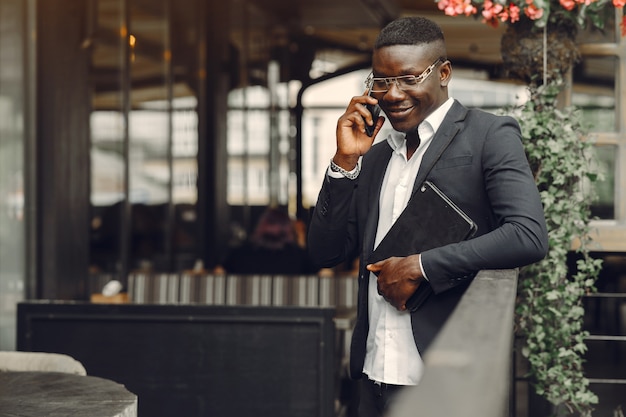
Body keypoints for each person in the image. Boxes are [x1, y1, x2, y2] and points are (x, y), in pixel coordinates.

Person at [307, 16, 549, 417]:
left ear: (444, 73)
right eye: (381, 81)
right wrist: (344, 162)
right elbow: (325, 252)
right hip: (372, 373)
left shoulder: (489, 135)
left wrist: (422, 266)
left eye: (408, 78)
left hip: (444, 374)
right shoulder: (375, 154)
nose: (393, 94)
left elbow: (527, 235)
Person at [222, 207, 318, 275]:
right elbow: (325, 275)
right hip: (290, 302)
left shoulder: (240, 254)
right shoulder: (299, 256)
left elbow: (218, 273)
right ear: (288, 230)